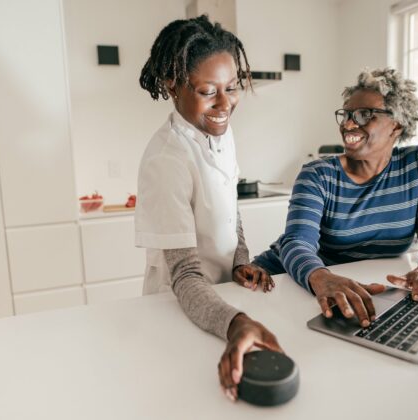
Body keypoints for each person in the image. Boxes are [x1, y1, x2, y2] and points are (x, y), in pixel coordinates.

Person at [135, 15, 282, 401]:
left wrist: (240, 261)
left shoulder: (220, 130)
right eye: (207, 91)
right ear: (172, 84)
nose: (225, 103)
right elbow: (184, 274)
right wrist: (236, 324)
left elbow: (230, 208)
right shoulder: (166, 159)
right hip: (181, 304)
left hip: (219, 300)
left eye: (232, 87)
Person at [254, 68, 418, 328]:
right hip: (288, 280)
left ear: (396, 124)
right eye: (346, 114)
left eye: (365, 115)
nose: (348, 124)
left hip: (356, 288)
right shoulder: (318, 175)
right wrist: (322, 277)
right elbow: (296, 242)